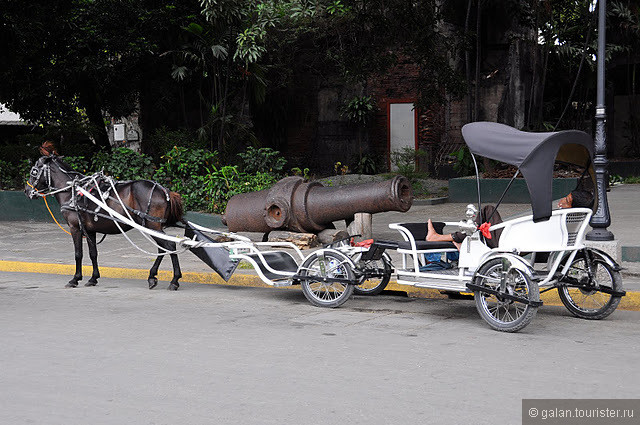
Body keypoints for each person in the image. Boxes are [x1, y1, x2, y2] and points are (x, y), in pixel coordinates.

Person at [426, 189, 594, 250]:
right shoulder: (570, 221)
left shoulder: (558, 218)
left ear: (572, 206)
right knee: (484, 222)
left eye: (566, 201)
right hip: (522, 241)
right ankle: (460, 240)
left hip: (512, 244)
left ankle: (439, 237)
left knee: (488, 210)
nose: (561, 201)